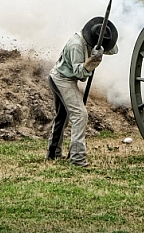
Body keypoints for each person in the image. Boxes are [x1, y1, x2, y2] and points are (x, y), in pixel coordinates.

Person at [47, 17, 119, 168]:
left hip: (66, 78)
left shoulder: (94, 40)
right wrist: (93, 60)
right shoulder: (76, 45)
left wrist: (103, 47)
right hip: (62, 79)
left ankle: (53, 153)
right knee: (80, 115)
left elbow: (114, 50)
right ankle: (78, 158)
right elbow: (79, 73)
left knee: (63, 116)